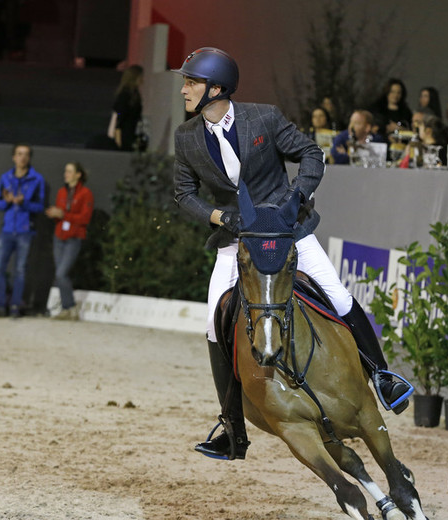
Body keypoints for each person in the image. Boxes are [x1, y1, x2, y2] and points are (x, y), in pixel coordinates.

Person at [171, 47, 412, 461]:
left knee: (336, 295)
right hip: (236, 242)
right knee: (215, 324)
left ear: (216, 88)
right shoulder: (187, 137)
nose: (183, 90)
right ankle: (232, 428)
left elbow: (310, 154)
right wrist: (219, 217)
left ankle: (382, 377)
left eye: (190, 82)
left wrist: (295, 197)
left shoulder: (263, 118)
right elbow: (183, 193)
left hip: (288, 232)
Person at [0, 143, 45, 318]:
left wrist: (23, 203)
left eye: (26, 154)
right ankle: (0, 305)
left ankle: (15, 306)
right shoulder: (5, 178)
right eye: (19, 154)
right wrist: (8, 201)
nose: (22, 157)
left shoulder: (37, 179)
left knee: (20, 270)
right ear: (13, 157)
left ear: (29, 158)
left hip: (25, 231)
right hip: (7, 229)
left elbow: (39, 207)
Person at [44, 162, 95, 320]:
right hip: (59, 237)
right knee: (60, 275)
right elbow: (62, 213)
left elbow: (84, 218)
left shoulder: (86, 193)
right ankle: (68, 309)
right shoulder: (61, 192)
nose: (65, 174)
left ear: (78, 175)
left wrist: (63, 215)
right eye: (65, 171)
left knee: (61, 273)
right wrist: (54, 214)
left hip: (74, 238)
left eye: (69, 171)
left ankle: (70, 307)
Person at [108, 64, 144, 151]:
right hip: (124, 132)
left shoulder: (134, 94)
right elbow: (120, 113)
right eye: (141, 76)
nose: (143, 79)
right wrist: (117, 130)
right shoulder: (126, 94)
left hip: (131, 129)